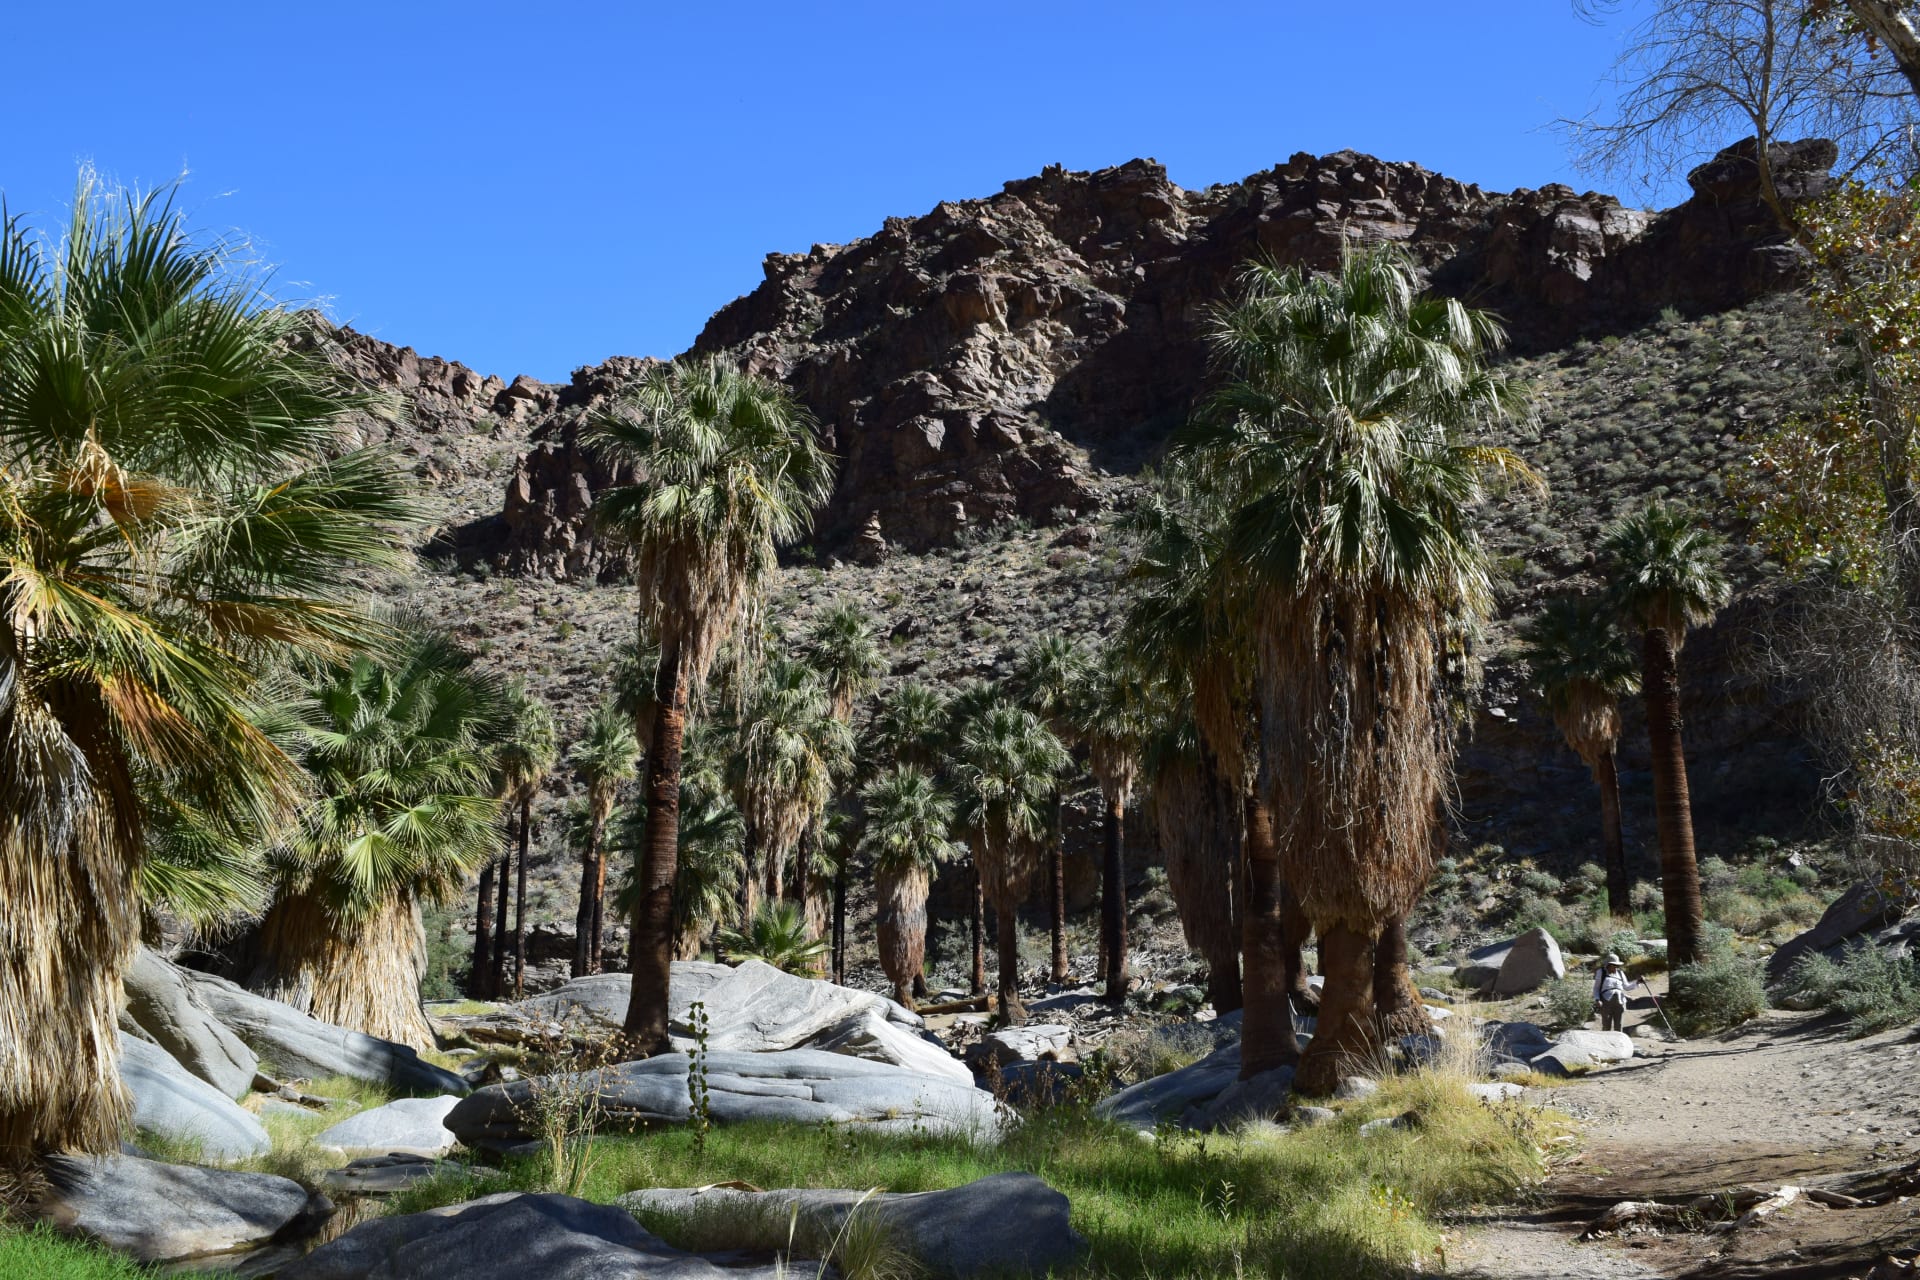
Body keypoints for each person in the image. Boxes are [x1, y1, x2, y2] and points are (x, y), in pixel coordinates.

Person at [1592, 953, 1630, 1032]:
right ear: (1608, 965)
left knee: (1619, 1025)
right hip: (1606, 1002)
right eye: (1614, 965)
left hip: (1620, 1001)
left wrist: (1637, 982)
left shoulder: (1620, 973)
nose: (1616, 967)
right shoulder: (1601, 972)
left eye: (1617, 965)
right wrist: (1597, 999)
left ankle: (1619, 1040)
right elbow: (1596, 988)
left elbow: (1627, 987)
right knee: (1606, 1026)